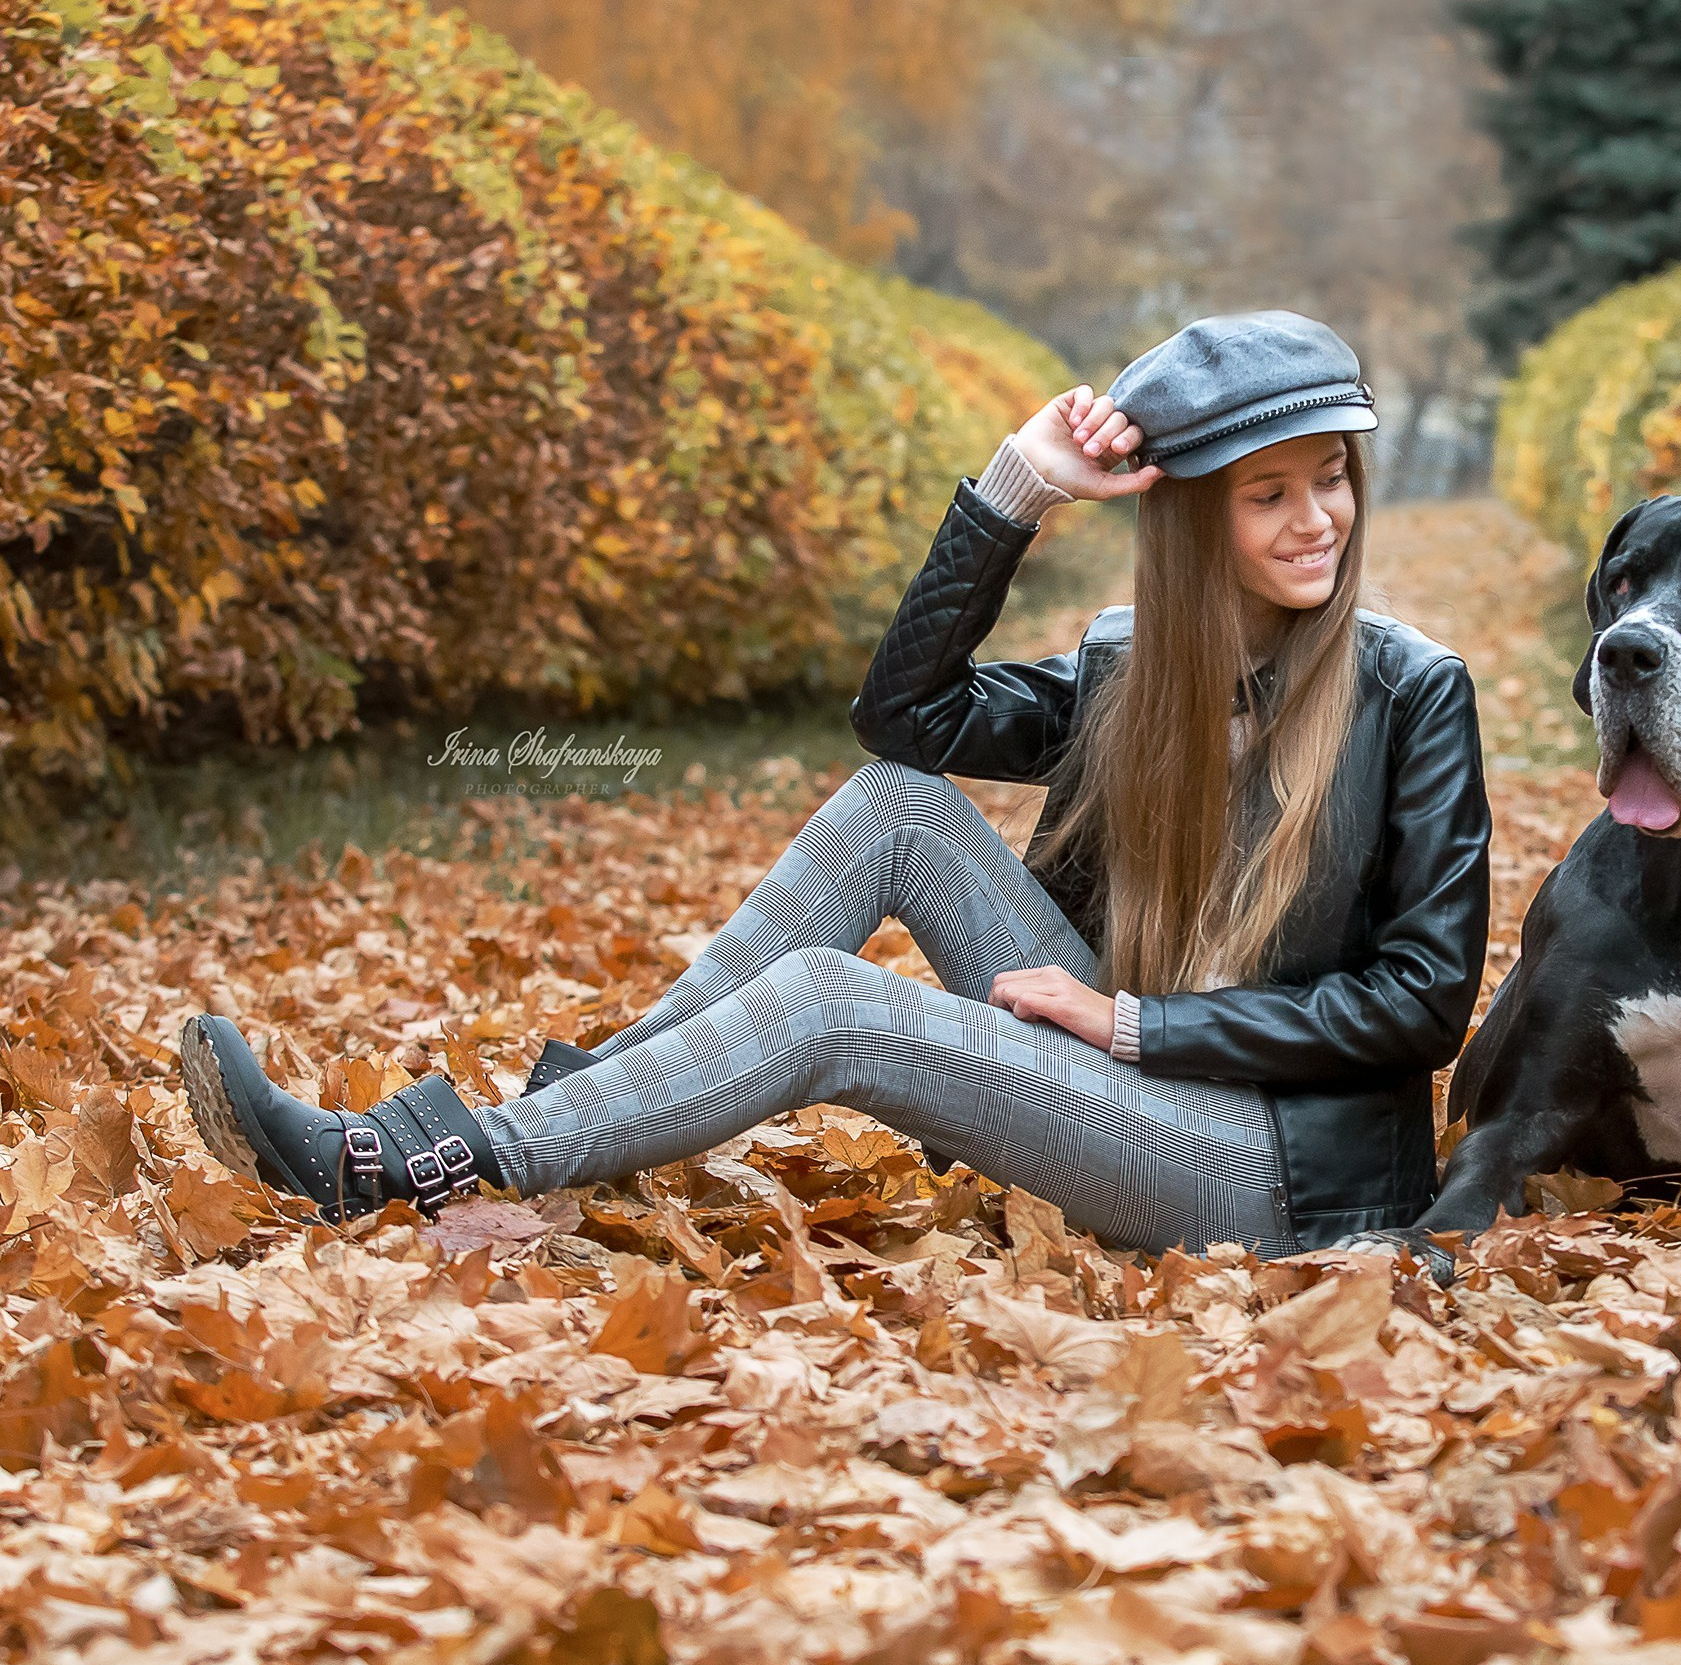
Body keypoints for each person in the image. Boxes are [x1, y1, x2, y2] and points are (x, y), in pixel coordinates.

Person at [178, 311, 1493, 1256]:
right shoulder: (1132, 665)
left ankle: (409, 1165)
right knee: (896, 809)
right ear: (1192, 522)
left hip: (1273, 1168)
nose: (1318, 520)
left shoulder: (1410, 692)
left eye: (1330, 482)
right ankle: (542, 1130)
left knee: (833, 1007)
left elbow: (1422, 1004)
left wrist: (1135, 1029)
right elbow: (904, 719)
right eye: (1269, 496)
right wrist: (1017, 489)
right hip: (1125, 1067)